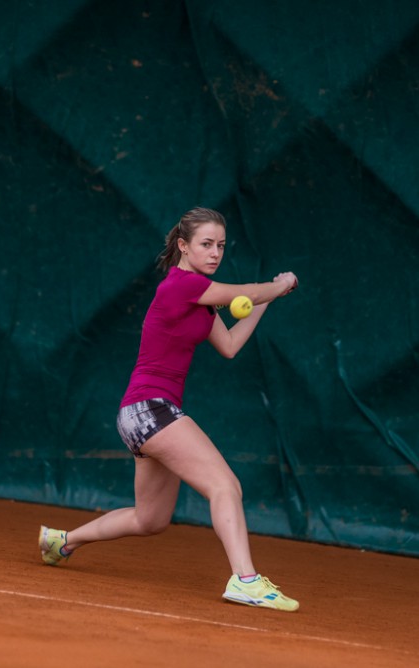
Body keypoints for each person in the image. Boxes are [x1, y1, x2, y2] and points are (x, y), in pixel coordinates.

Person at [38, 207, 300, 612]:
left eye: (221, 246)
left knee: (150, 520)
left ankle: (62, 542)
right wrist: (279, 284)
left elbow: (230, 346)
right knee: (225, 486)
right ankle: (245, 579)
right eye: (206, 244)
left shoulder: (202, 300)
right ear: (183, 246)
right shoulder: (180, 285)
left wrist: (269, 299)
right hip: (151, 409)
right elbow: (246, 292)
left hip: (141, 415)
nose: (215, 253)